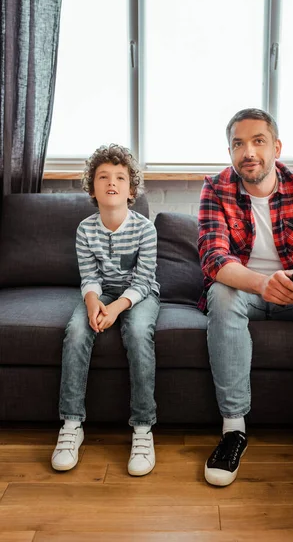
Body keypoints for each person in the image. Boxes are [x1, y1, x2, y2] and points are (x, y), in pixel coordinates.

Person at [198, 108, 293, 490]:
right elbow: (214, 259)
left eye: (258, 141)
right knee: (220, 294)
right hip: (246, 291)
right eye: (238, 144)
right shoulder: (215, 188)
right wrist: (261, 284)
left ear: (276, 147)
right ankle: (233, 429)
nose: (248, 151)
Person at [51, 144, 160, 476]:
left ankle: (142, 428)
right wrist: (93, 303)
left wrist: (116, 308)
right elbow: (89, 276)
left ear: (131, 190)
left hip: (139, 296)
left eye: (120, 177)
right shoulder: (85, 230)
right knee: (75, 331)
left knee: (139, 333)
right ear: (92, 187)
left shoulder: (145, 229)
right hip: (100, 294)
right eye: (103, 177)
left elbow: (143, 280)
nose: (111, 182)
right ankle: (72, 424)